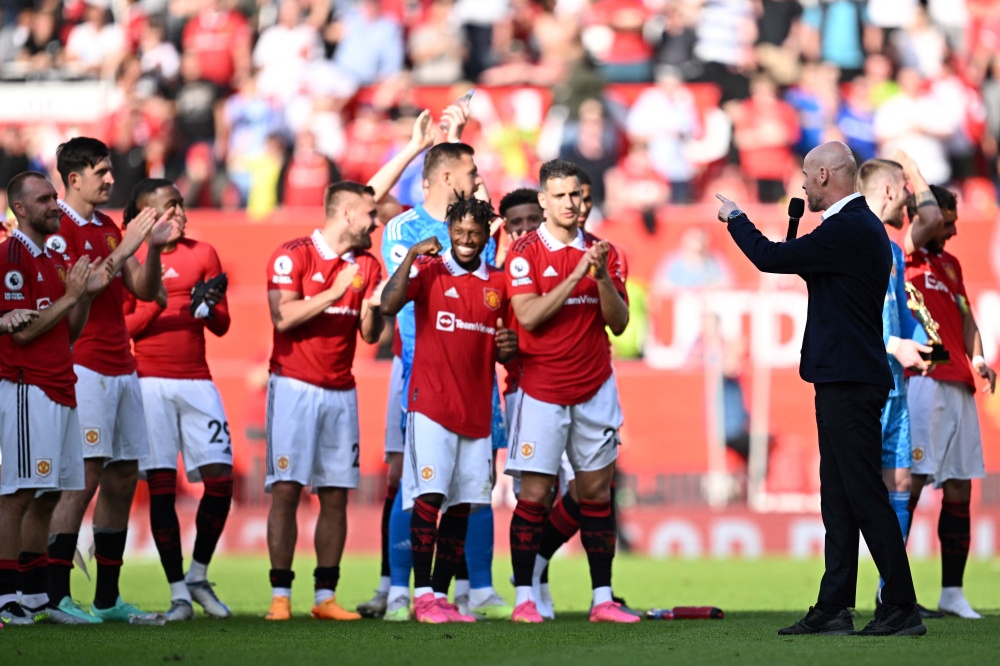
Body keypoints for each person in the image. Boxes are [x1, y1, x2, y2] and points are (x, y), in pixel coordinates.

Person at [714, 141, 925, 637]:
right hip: (845, 376)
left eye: (808, 177)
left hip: (849, 379)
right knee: (841, 497)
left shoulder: (848, 228)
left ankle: (900, 605)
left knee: (862, 493)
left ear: (827, 175)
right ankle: (835, 606)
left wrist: (736, 218)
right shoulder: (855, 230)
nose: (804, 186)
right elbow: (793, 260)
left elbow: (769, 258)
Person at [376, 137, 509, 622]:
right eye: (462, 230)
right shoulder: (428, 269)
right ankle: (412, 594)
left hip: (476, 408)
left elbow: (504, 339)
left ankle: (443, 594)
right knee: (426, 495)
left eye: (478, 232)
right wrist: (412, 257)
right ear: (450, 228)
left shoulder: (496, 285)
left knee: (464, 502)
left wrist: (508, 347)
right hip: (428, 400)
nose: (470, 238)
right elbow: (388, 306)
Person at [47, 137, 177, 624]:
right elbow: (81, 286)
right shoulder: (56, 228)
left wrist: (154, 250)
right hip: (84, 367)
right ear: (74, 178)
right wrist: (128, 246)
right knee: (83, 479)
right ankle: (57, 596)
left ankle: (107, 598)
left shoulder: (105, 226)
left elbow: (141, 288)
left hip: (122, 366)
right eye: (100, 171)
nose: (110, 179)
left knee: (122, 479)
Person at [504, 159, 635, 624]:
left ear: (586, 198)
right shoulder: (523, 253)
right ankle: (525, 597)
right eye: (559, 196)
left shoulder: (607, 253)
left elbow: (618, 324)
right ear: (543, 200)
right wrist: (579, 272)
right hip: (541, 388)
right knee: (535, 493)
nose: (569, 204)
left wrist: (598, 277)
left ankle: (602, 598)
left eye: (575, 195)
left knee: (596, 491)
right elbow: (530, 317)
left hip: (596, 385)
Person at [264, 181, 384, 621]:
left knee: (335, 495)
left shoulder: (368, 265)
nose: (375, 221)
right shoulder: (292, 254)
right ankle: (280, 595)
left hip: (341, 389)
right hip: (294, 386)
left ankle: (324, 597)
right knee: (286, 490)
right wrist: (334, 293)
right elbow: (284, 316)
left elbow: (370, 335)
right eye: (370, 213)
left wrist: (375, 306)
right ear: (348, 214)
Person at [121, 179, 234, 621]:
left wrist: (209, 307)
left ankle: (199, 574)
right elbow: (122, 329)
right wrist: (158, 305)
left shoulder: (203, 253)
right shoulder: (130, 258)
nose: (181, 212)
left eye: (182, 204)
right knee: (162, 491)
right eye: (171, 206)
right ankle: (177, 595)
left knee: (221, 482)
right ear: (148, 213)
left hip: (197, 381)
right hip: (148, 383)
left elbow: (221, 326)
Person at [0, 172, 107, 626]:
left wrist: (83, 297)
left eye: (54, 198)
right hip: (27, 385)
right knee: (17, 494)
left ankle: (36, 596)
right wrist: (71, 297)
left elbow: (70, 333)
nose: (53, 205)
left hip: (60, 383)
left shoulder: (52, 259)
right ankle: (6, 597)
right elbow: (24, 335)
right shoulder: (11, 255)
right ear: (20, 209)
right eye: (44, 199)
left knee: (48, 494)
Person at [856, 153, 948, 619]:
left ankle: (889, 590)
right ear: (890, 189)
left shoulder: (892, 249)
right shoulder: (853, 238)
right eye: (906, 189)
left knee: (901, 480)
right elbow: (851, 316)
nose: (910, 199)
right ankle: (841, 592)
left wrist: (921, 340)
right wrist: (894, 345)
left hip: (895, 384)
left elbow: (898, 311)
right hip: (864, 383)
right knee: (855, 487)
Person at [904, 185, 995, 620]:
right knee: (914, 480)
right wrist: (912, 172)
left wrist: (978, 356)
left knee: (960, 485)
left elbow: (967, 316)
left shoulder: (951, 264)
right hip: (925, 378)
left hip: (959, 381)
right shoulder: (906, 257)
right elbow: (924, 222)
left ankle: (951, 593)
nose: (954, 230)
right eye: (948, 221)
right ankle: (893, 592)